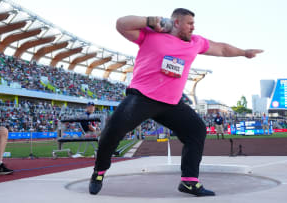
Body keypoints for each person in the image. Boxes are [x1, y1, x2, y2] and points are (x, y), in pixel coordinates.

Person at [89, 8, 263, 196]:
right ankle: (99, 172)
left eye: (194, 24)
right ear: (176, 23)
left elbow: (221, 48)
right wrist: (150, 20)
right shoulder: (151, 35)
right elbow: (121, 24)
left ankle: (189, 181)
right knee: (113, 131)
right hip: (142, 97)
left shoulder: (195, 42)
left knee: (196, 130)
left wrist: (244, 52)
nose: (193, 27)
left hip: (171, 103)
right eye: (189, 23)